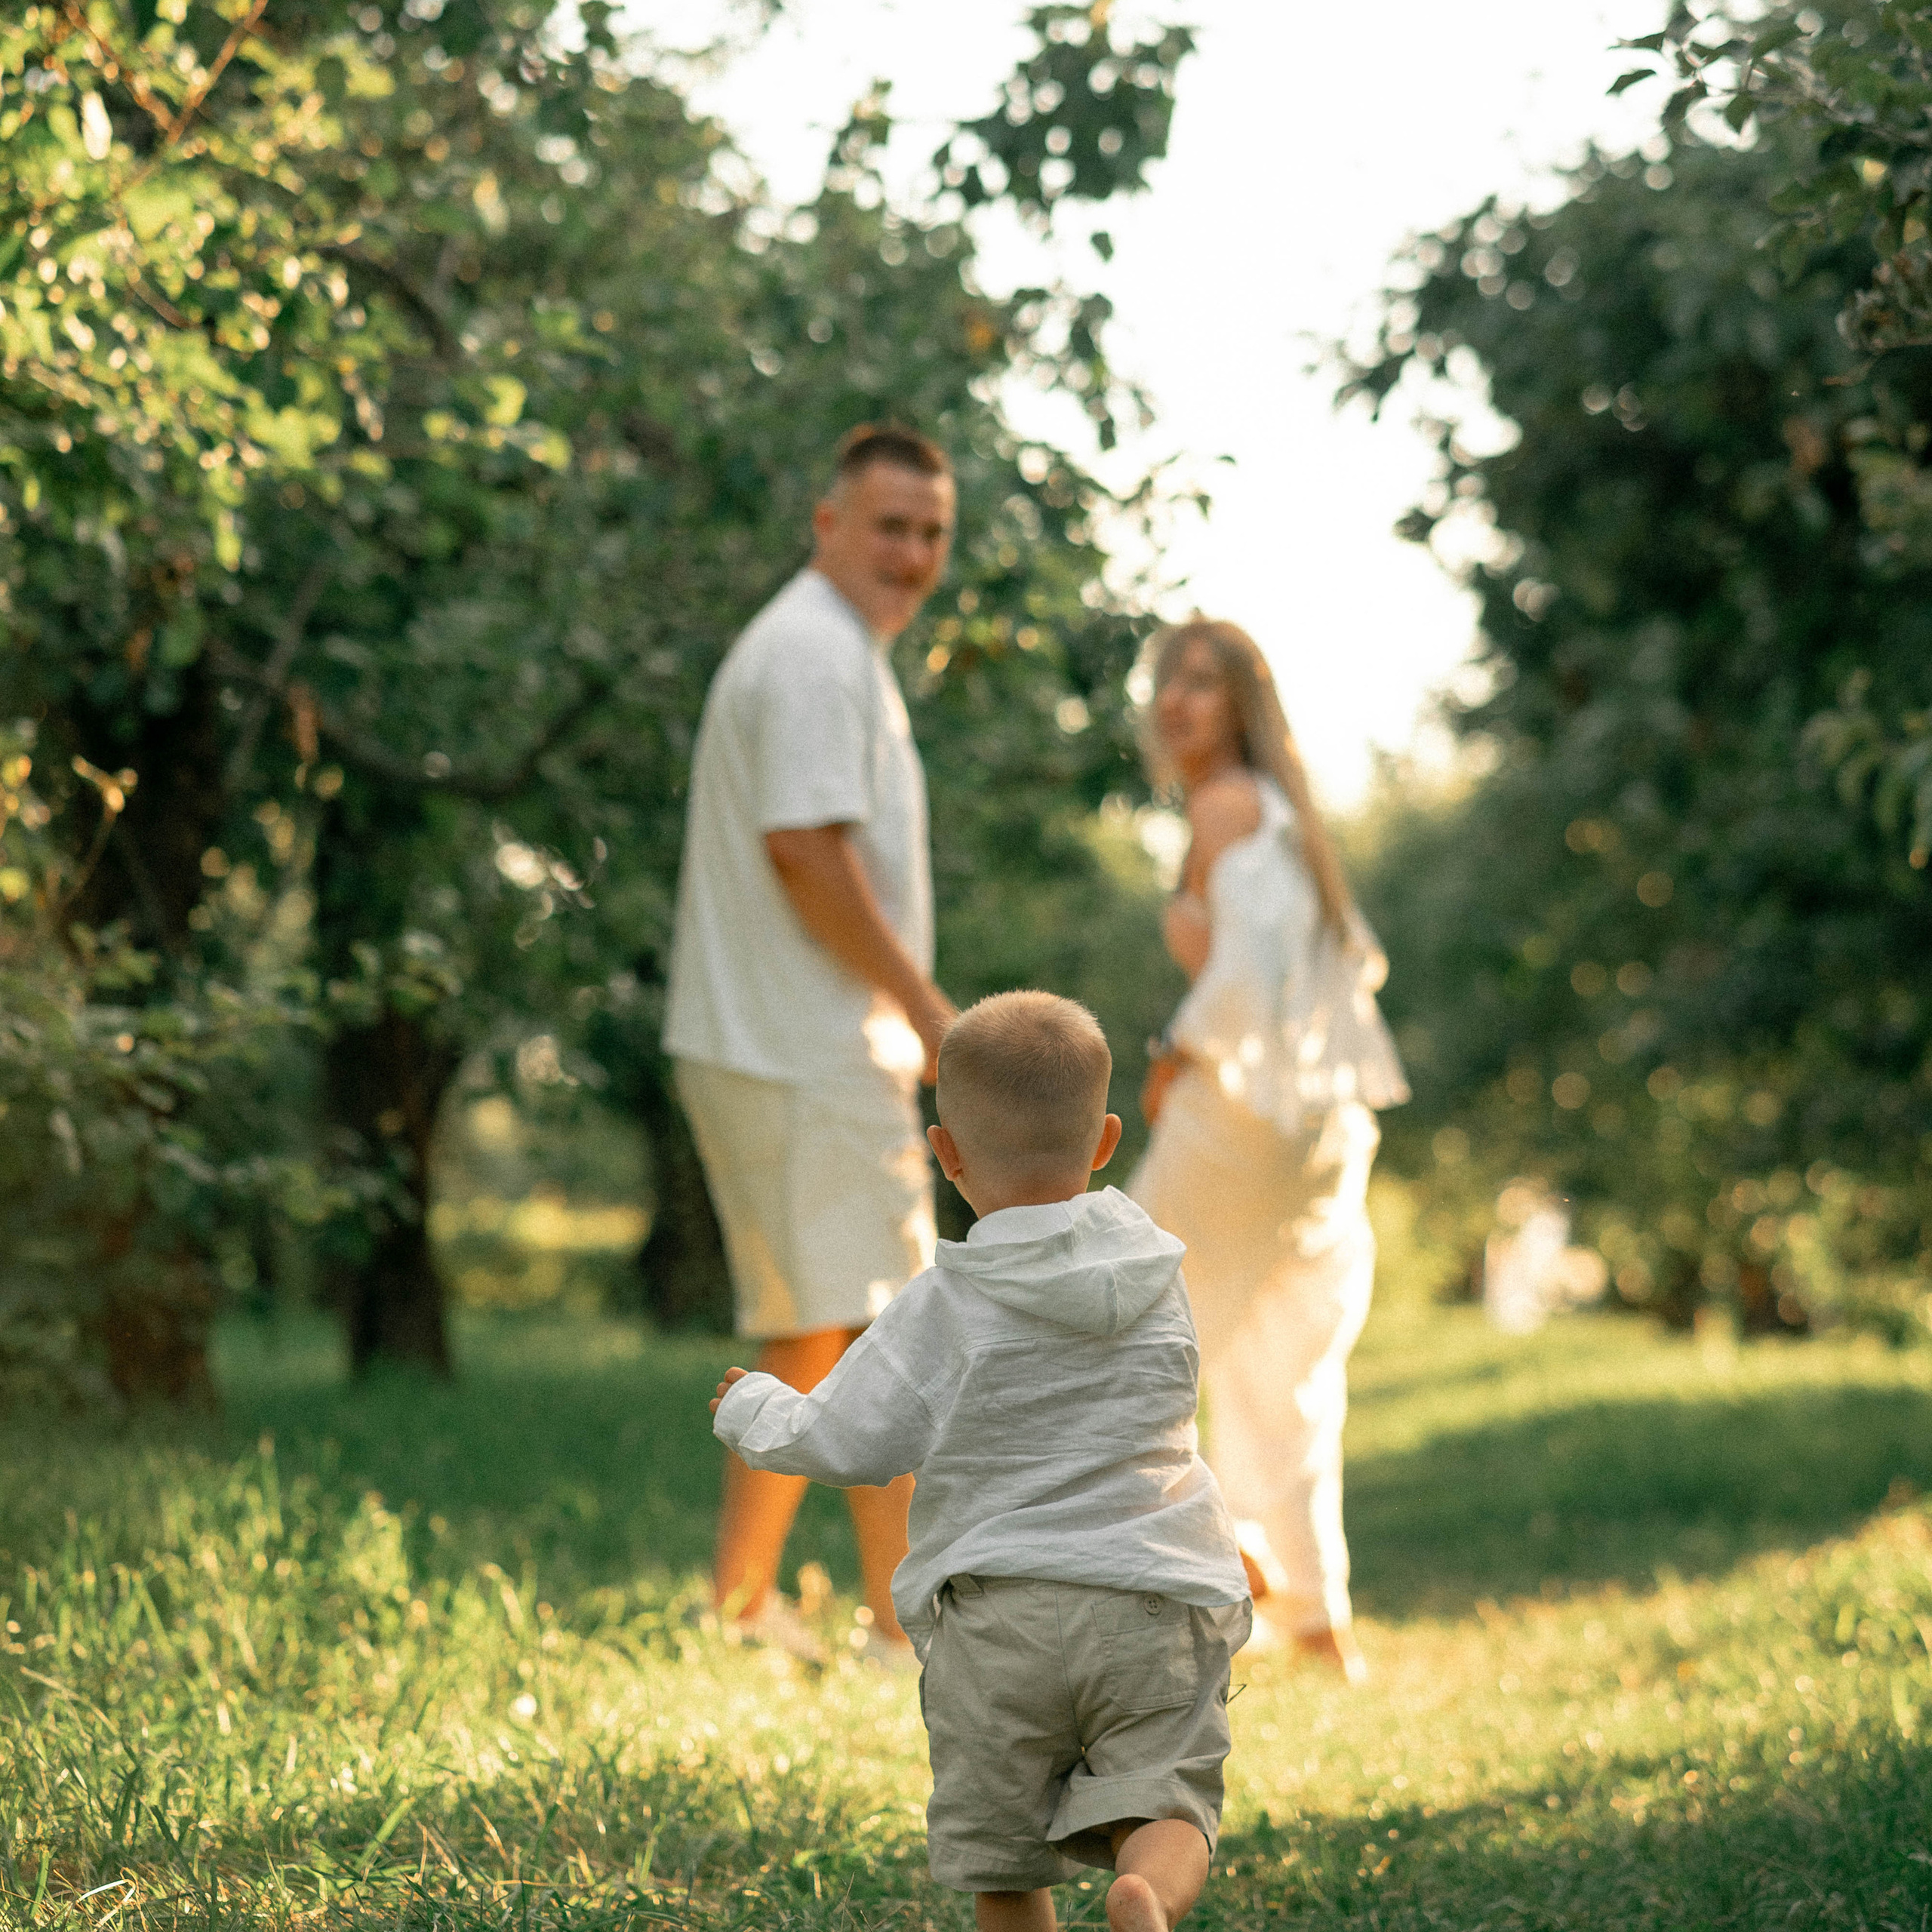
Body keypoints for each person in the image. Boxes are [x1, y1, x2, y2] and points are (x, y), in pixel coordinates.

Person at [711, 992, 1250, 1932]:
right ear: (1106, 1139)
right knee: (1167, 1802)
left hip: (999, 1620)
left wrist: (755, 1405)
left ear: (946, 1154)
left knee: (1004, 1862)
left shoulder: (944, 1300)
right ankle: (1146, 1893)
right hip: (1152, 1598)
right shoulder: (1158, 1278)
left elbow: (847, 1438)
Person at [663, 423, 960, 1668]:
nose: (911, 553)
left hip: (789, 1042)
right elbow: (807, 855)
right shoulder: (813, 657)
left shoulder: (834, 650)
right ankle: (899, 1626)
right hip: (802, 1042)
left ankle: (739, 1608)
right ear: (827, 522)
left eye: (933, 533)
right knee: (883, 1326)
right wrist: (935, 1016)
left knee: (824, 1326)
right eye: (889, 525)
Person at [1128, 620, 1408, 1680]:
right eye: (1167, 682)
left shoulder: (1227, 805)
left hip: (1242, 1117)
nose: (1177, 702)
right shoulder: (1290, 818)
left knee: (1127, 1327)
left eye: (1204, 683)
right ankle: (1318, 1622)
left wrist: (1172, 1049)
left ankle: (1219, 1557)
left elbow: (1245, 970)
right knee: (1277, 1363)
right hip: (1323, 1129)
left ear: (1244, 703)